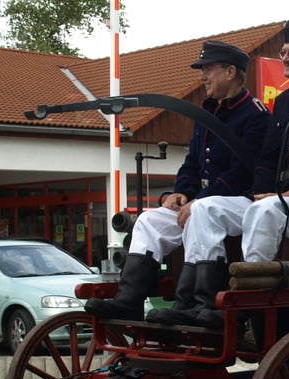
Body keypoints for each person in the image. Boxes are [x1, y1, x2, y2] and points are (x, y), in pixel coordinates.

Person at [148, 19, 289, 328]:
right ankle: (194, 302)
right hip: (282, 198)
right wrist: (259, 190)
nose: (284, 57)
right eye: (283, 52)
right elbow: (268, 157)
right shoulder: (285, 100)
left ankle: (247, 301)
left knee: (266, 210)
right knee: (209, 210)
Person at [85, 40, 270, 322]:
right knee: (148, 221)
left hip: (244, 203)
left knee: (203, 211)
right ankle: (129, 300)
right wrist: (182, 192)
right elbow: (192, 163)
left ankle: (197, 303)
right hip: (205, 205)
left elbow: (242, 174)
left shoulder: (255, 115)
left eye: (208, 69)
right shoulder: (207, 113)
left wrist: (200, 200)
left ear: (230, 72)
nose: (202, 77)